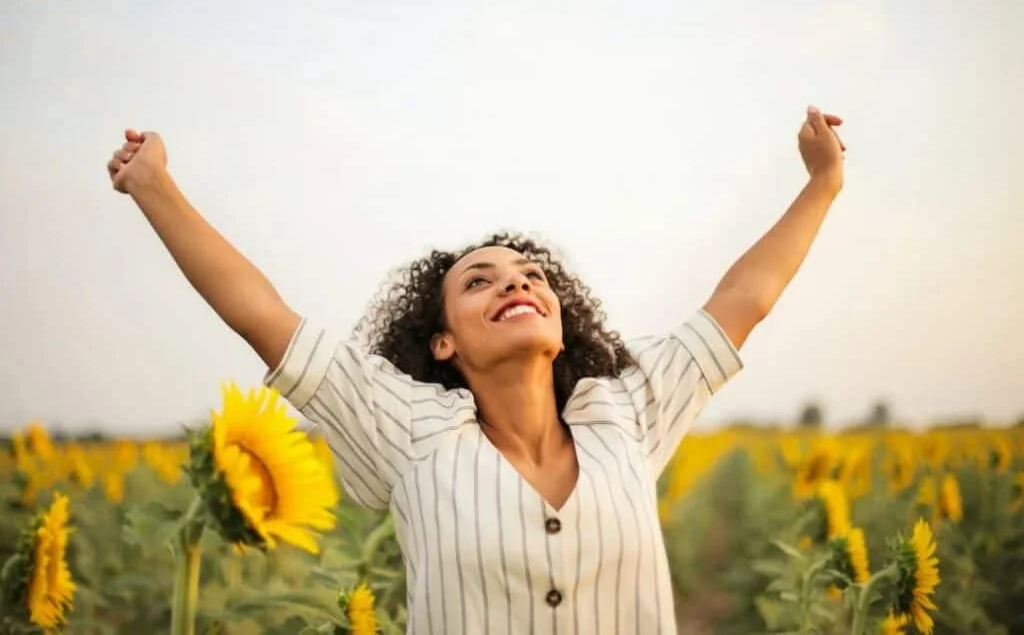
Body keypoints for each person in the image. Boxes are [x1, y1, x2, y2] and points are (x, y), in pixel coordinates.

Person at [105, 105, 846, 635]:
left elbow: (744, 300)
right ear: (442, 344)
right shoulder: (409, 432)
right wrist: (153, 184)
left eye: (529, 275)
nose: (516, 283)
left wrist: (822, 184)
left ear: (561, 323)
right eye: (479, 281)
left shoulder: (626, 411)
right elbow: (260, 315)